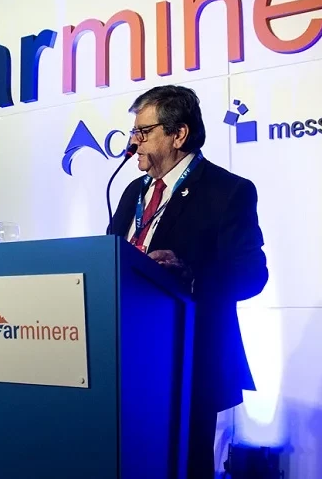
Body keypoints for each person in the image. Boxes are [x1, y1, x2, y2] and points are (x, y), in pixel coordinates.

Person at [107, 85, 268, 478]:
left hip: (187, 360)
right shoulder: (132, 192)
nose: (133, 142)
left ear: (178, 134)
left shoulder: (227, 191)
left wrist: (192, 275)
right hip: (124, 356)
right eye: (133, 132)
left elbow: (252, 273)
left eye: (143, 132)